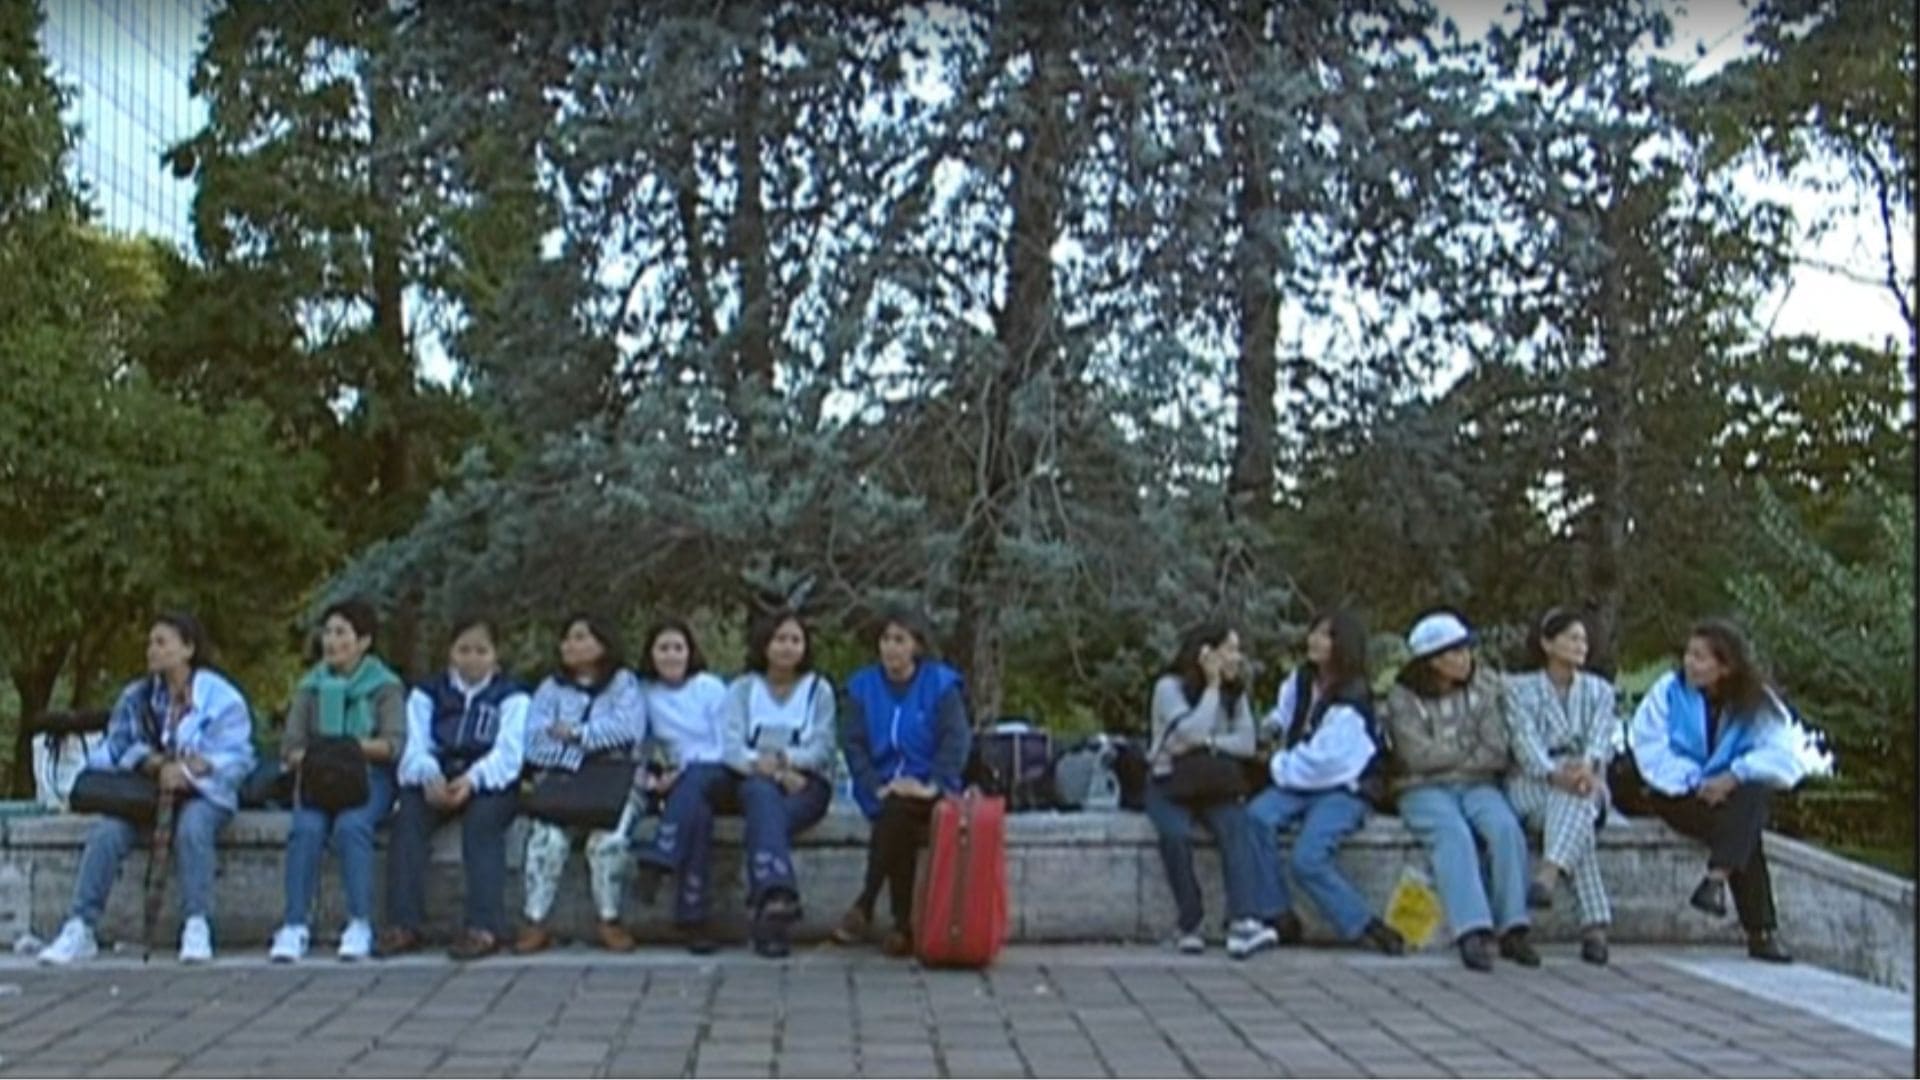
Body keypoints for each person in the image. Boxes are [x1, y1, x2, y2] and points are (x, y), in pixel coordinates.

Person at [39, 613, 257, 966]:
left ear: (187, 648)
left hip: (204, 794)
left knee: (194, 828)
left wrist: (192, 770)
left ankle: (196, 923)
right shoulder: (137, 697)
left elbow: (239, 756)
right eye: (150, 642)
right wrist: (155, 765)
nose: (151, 650)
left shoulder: (222, 698)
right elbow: (118, 746)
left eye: (161, 642)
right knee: (107, 834)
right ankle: (80, 925)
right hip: (147, 794)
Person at [1627, 618, 1805, 963]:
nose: (1690, 663)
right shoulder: (1668, 691)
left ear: (1725, 666)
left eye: (1701, 657)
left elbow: (1782, 753)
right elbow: (1650, 748)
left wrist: (1733, 776)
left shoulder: (1756, 702)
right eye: (1689, 655)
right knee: (1745, 828)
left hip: (1730, 795)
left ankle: (1716, 878)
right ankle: (1760, 932)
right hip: (1676, 792)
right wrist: (1699, 782)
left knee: (1750, 797)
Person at [1384, 611, 1536, 972]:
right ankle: (1472, 930)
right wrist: (1465, 748)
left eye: (1466, 650)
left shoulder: (1484, 688)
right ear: (1432, 661)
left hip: (1478, 784)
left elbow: (1495, 749)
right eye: (1454, 652)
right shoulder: (1403, 697)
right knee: (1452, 834)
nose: (1464, 658)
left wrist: (1450, 756)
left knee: (1504, 828)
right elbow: (1415, 756)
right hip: (1421, 788)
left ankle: (1514, 926)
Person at [1245, 609, 1404, 954]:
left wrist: (1273, 764)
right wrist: (1269, 730)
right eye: (1313, 632)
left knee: (1309, 857)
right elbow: (1284, 715)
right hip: (1298, 778)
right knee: (1257, 818)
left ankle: (1363, 923)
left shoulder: (1353, 698)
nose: (1313, 641)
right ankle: (1277, 913)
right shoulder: (1302, 680)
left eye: (1324, 635)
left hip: (1344, 787)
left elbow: (1327, 763)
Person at [379, 614, 529, 961]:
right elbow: (413, 745)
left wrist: (472, 780)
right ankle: (404, 923)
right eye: (464, 650)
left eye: (481, 650)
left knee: (482, 826)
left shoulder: (512, 696)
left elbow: (509, 753)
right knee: (408, 820)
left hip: (489, 779)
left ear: (495, 655)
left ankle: (484, 925)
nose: (472, 659)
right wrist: (430, 776)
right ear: (450, 653)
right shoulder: (427, 693)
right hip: (436, 773)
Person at [268, 599, 406, 963]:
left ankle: (359, 922)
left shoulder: (385, 687)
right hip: (317, 777)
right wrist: (322, 756)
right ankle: (294, 924)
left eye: (342, 633)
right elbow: (291, 748)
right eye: (327, 633)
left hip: (366, 776)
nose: (332, 641)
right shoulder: (310, 687)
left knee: (351, 827)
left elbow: (393, 744)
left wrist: (345, 749)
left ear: (363, 641)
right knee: (306, 829)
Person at [833, 608, 972, 957]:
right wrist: (874, 784)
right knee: (894, 814)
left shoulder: (940, 686)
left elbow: (955, 739)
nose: (891, 649)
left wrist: (932, 784)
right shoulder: (861, 687)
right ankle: (899, 926)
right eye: (885, 640)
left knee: (897, 815)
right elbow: (853, 743)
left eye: (900, 640)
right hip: (879, 787)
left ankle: (869, 905)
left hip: (929, 788)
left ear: (917, 647)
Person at [1140, 622, 1280, 960]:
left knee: (1237, 826)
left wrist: (1209, 744)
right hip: (1170, 782)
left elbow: (1246, 743)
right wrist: (1212, 687)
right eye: (1229, 649)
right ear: (1206, 653)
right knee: (1174, 833)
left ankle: (1242, 921)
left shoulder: (1237, 694)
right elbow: (1189, 731)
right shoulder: (1168, 688)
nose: (1237, 657)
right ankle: (1189, 923)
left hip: (1214, 784)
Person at [516, 613, 646, 954]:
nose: (570, 645)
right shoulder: (550, 689)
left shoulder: (624, 684)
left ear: (603, 644)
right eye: (567, 638)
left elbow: (627, 730)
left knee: (608, 842)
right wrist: (581, 758)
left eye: (581, 637)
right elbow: (535, 742)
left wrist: (576, 734)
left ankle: (609, 919)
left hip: (615, 784)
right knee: (547, 840)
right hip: (565, 783)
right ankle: (535, 921)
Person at [1504, 607, 1617, 965]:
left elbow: (1601, 738)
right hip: (1534, 781)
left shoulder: (1599, 690)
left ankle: (1549, 873)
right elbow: (1524, 742)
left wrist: (1585, 768)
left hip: (1586, 778)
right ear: (1547, 644)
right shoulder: (1520, 689)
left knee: (1580, 798)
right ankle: (1594, 924)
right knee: (1574, 802)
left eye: (1584, 639)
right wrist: (1556, 773)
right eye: (1571, 637)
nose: (1580, 645)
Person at [721, 609, 837, 958]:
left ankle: (769, 905)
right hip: (754, 779)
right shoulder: (743, 689)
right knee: (761, 799)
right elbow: (730, 746)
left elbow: (823, 747)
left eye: (795, 640)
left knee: (763, 820)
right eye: (780, 639)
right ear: (764, 644)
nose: (787, 647)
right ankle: (777, 900)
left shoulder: (819, 690)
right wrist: (770, 770)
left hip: (807, 784)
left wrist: (788, 761)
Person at [630, 618, 734, 953]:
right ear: (651, 654)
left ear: (690, 653)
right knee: (697, 817)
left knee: (697, 784)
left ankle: (663, 852)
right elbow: (638, 744)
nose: (671, 655)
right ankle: (694, 920)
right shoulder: (643, 692)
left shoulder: (710, 687)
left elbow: (727, 744)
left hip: (718, 773)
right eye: (663, 648)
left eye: (678, 648)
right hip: (676, 785)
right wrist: (651, 778)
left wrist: (686, 770)